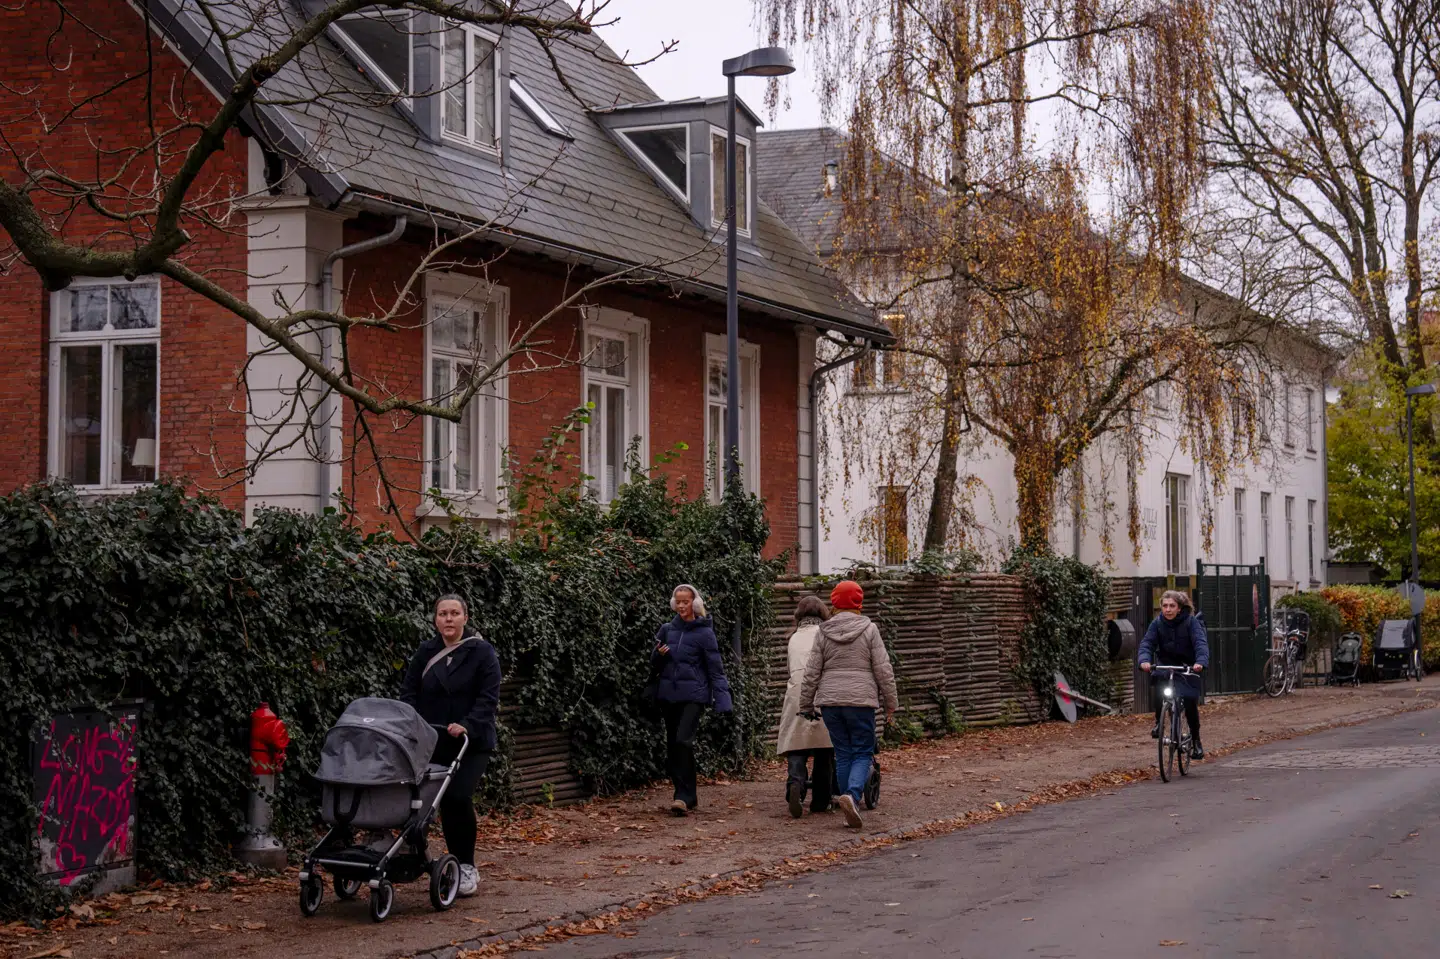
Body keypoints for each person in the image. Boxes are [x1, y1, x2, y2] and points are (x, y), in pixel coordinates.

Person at [399, 593, 501, 898]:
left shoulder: (482, 653)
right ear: (435, 620)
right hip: (432, 740)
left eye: (455, 613)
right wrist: (412, 723)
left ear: (465, 618)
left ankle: (467, 866)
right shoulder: (425, 652)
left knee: (457, 798)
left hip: (470, 742)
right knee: (420, 800)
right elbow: (409, 691)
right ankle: (416, 858)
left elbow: (489, 697)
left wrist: (467, 723)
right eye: (443, 614)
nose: (448, 619)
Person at [798, 580, 897, 830]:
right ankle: (852, 796)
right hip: (860, 701)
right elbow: (883, 669)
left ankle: (845, 798)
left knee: (842, 753)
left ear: (833, 603)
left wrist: (806, 703)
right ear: (859, 603)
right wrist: (891, 703)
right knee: (862, 751)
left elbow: (811, 671)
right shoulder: (869, 629)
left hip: (830, 702)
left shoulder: (823, 631)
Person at [651, 584, 732, 816]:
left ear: (695, 604)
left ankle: (682, 797)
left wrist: (723, 699)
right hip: (669, 695)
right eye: (678, 602)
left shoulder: (705, 633)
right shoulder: (666, 630)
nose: (682, 606)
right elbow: (653, 663)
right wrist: (659, 654)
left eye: (686, 602)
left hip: (694, 696)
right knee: (673, 746)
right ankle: (687, 795)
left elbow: (715, 669)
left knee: (683, 741)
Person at [777, 595, 835, 819]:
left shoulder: (793, 638)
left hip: (796, 693)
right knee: (824, 748)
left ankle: (796, 785)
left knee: (797, 742)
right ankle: (821, 800)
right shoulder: (827, 636)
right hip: (822, 691)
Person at [1139, 589, 1209, 760]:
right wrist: (1144, 660)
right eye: (1164, 606)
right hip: (1166, 664)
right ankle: (1159, 723)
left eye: (1172, 606)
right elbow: (1147, 643)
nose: (1168, 609)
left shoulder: (1191, 623)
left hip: (1188, 667)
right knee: (1160, 688)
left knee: (1190, 701)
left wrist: (1200, 662)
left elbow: (1200, 643)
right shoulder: (1157, 624)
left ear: (1179, 608)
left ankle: (1196, 741)